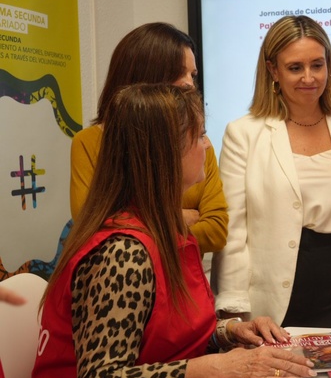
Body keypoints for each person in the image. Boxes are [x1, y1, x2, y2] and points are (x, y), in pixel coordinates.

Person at [30, 84, 316, 378]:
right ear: (165, 153)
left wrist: (230, 333)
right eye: (199, 136)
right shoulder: (123, 253)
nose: (207, 147)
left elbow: (167, 341)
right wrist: (217, 366)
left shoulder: (167, 231)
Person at [212, 15, 331, 328]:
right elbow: (233, 229)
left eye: (317, 65)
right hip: (272, 291)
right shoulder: (243, 133)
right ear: (273, 70)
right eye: (295, 67)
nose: (309, 77)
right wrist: (233, 306)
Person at [70, 22, 228, 255]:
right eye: (178, 73)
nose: (189, 84)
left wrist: (139, 223)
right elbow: (95, 229)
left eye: (192, 74)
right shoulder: (89, 142)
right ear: (143, 77)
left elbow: (216, 230)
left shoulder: (199, 143)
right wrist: (181, 216)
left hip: (185, 277)